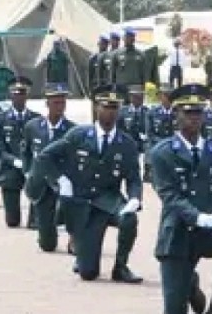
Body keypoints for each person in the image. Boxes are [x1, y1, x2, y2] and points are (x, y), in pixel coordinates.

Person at [149, 83, 212, 314]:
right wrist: (200, 218)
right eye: (187, 112)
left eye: (198, 112)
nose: (193, 118)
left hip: (207, 232)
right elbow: (170, 196)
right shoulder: (162, 153)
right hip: (178, 232)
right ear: (175, 115)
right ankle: (189, 282)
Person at [32, 85, 144, 283]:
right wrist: (60, 180)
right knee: (88, 273)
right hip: (82, 204)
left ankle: (121, 266)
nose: (109, 112)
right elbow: (45, 157)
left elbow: (134, 177)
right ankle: (83, 255)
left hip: (108, 200)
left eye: (114, 108)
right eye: (105, 107)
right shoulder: (79, 135)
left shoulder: (126, 143)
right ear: (96, 109)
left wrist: (135, 198)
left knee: (129, 219)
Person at [22, 84, 75, 253]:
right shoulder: (33, 127)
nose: (60, 106)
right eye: (56, 103)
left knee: (72, 215)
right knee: (47, 245)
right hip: (41, 184)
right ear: (47, 104)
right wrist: (27, 171)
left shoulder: (72, 130)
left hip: (62, 184)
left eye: (62, 103)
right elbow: (26, 151)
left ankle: (75, 238)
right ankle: (48, 235)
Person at [0, 77, 38, 228]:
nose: (19, 97)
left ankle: (36, 218)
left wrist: (30, 164)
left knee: (35, 223)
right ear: (10, 96)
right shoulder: (0, 119)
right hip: (10, 168)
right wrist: (14, 161)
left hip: (31, 169)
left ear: (27, 96)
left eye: (22, 94)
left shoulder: (36, 119)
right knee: (12, 221)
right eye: (15, 94)